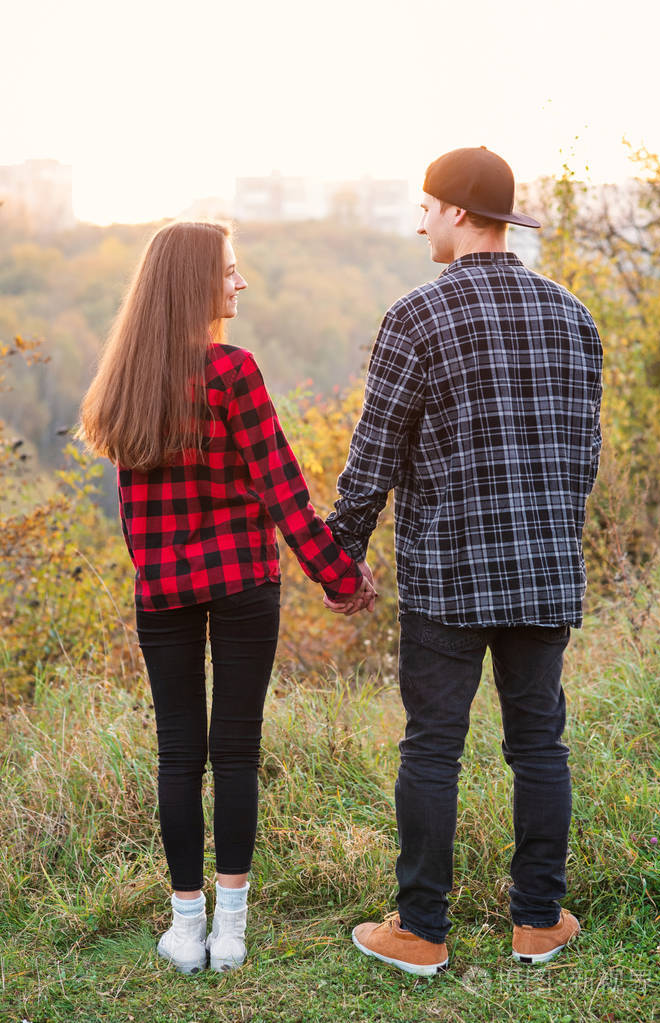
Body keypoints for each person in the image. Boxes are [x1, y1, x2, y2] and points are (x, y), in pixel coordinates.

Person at [324, 147, 603, 974]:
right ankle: (537, 922)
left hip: (447, 572)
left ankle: (420, 930)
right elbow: (583, 456)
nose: (420, 224)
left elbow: (373, 455)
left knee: (432, 748)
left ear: (452, 212)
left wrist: (341, 554)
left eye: (425, 208)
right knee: (539, 744)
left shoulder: (416, 315)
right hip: (544, 569)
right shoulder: (573, 316)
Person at [77, 220, 375, 974]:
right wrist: (339, 575)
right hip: (243, 581)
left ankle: (187, 930)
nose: (240, 282)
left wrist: (159, 569)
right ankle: (230, 931)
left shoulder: (124, 379)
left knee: (177, 753)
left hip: (162, 591)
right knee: (236, 749)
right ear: (194, 284)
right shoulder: (231, 370)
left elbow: (132, 515)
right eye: (229, 271)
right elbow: (283, 490)